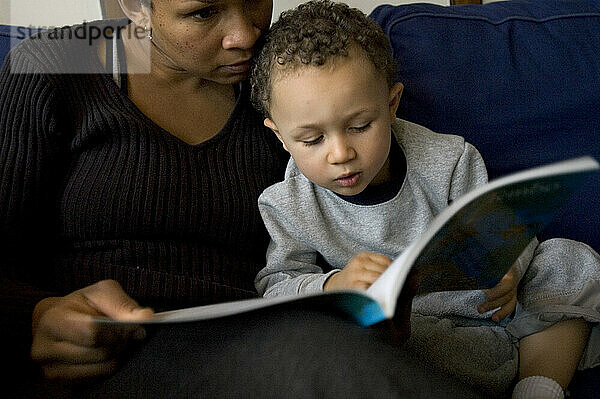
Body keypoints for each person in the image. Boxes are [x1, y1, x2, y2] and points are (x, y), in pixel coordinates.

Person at [0, 1, 483, 398]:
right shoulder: (58, 61)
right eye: (203, 13)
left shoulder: (284, 76)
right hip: (108, 356)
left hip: (268, 340)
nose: (244, 35)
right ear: (136, 7)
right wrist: (36, 315)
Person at [249, 1, 600, 398]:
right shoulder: (287, 203)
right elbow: (275, 286)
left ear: (392, 104)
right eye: (312, 140)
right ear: (279, 135)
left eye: (361, 126)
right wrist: (333, 285)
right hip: (411, 336)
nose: (340, 153)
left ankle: (539, 385)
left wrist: (509, 270)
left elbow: (507, 230)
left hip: (493, 319)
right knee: (330, 336)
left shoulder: (449, 160)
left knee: (568, 259)